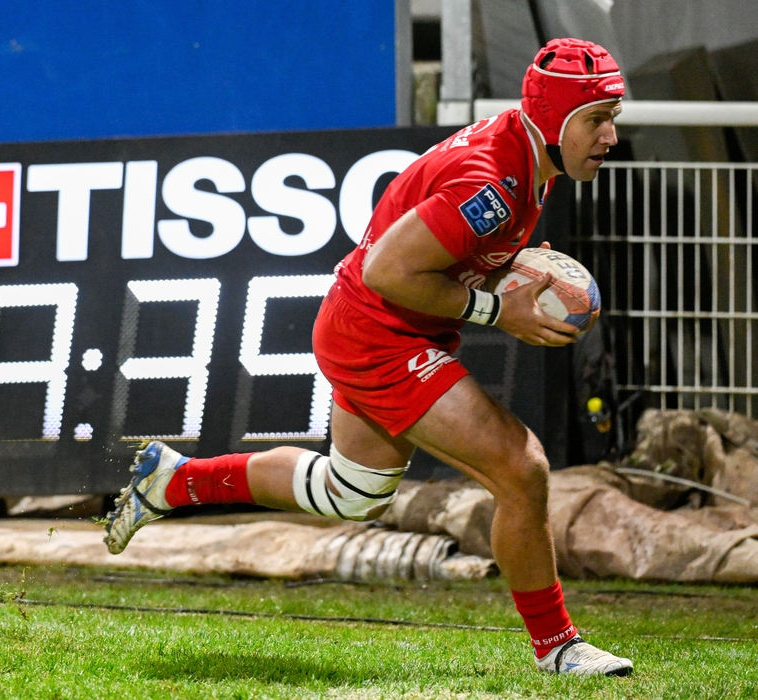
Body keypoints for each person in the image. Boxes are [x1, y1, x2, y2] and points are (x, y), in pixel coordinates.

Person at [104, 38, 633, 677]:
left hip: (378, 326)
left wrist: (503, 272)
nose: (609, 135)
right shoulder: (494, 181)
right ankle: (558, 646)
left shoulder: (525, 156)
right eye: (596, 120)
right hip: (379, 335)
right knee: (522, 469)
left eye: (613, 117)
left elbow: (430, 255)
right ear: (554, 121)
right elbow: (388, 271)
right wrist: (501, 311)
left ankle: (174, 480)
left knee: (349, 493)